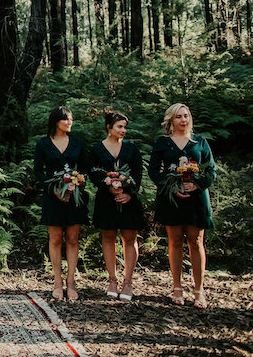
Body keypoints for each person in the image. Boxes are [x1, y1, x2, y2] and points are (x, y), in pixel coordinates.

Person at [148, 103, 216, 308]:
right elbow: (153, 171)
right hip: (172, 198)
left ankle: (198, 290)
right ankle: (177, 288)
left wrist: (196, 185)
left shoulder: (200, 142)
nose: (183, 120)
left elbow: (211, 170)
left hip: (196, 199)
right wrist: (170, 186)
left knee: (196, 242)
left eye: (186, 115)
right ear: (171, 120)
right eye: (178, 117)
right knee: (175, 241)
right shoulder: (163, 143)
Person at [33, 106, 89, 302]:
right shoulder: (43, 144)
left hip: (74, 197)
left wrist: (77, 185)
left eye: (71, 119)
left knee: (73, 238)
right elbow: (38, 171)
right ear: (56, 122)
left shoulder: (78, 144)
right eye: (66, 120)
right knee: (55, 238)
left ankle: (71, 282)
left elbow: (85, 170)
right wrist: (53, 190)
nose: (69, 123)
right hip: (52, 197)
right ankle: (57, 282)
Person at [89, 111, 145, 301]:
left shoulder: (132, 149)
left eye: (125, 127)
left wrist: (129, 193)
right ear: (109, 127)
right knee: (108, 238)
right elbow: (94, 174)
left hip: (128, 200)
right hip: (106, 200)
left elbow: (138, 175)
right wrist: (108, 188)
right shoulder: (97, 149)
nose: (123, 130)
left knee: (130, 238)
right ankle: (112, 280)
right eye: (119, 126)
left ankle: (127, 282)